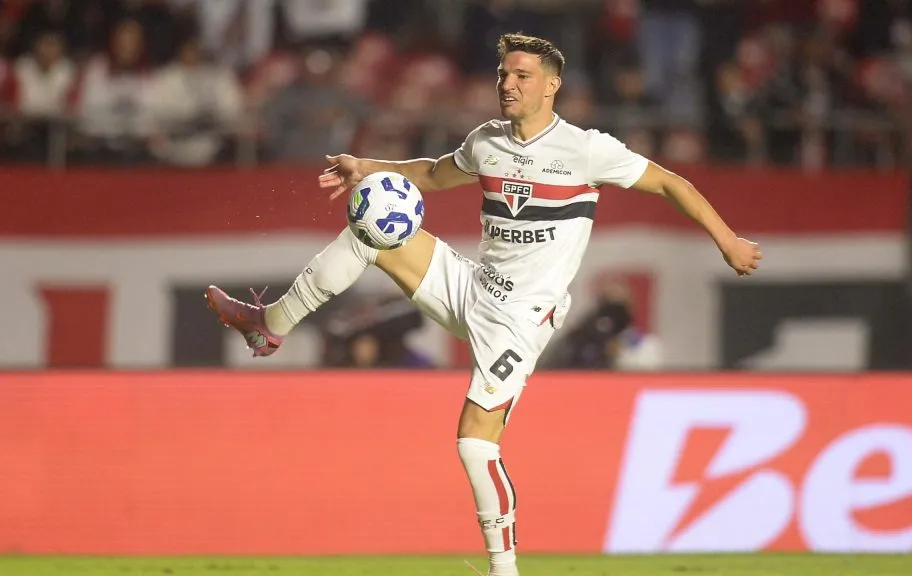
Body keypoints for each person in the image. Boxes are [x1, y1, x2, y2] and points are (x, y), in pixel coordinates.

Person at [204, 33, 762, 576]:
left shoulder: (586, 149)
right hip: (473, 286)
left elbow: (670, 183)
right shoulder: (486, 141)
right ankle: (268, 325)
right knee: (370, 231)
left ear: (552, 85)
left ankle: (503, 568)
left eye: (522, 76)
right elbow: (430, 174)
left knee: (474, 442)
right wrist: (367, 166)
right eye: (503, 74)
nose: (508, 84)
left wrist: (728, 240)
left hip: (520, 320)